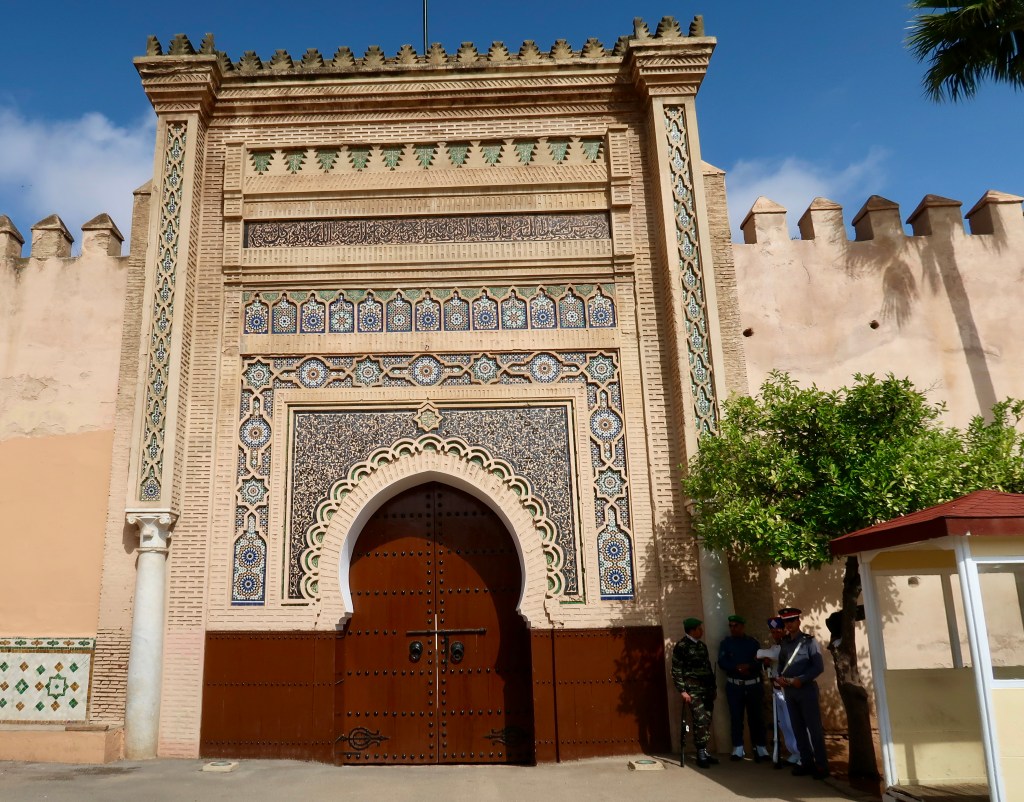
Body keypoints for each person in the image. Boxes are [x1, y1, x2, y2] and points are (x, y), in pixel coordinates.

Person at [775, 607, 830, 780]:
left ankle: (821, 765)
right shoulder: (784, 643)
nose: (789, 624)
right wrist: (780, 679)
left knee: (814, 729)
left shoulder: (808, 642)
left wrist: (802, 679)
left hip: (806, 690)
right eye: (786, 622)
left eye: (792, 621)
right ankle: (806, 762)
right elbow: (781, 666)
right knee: (797, 728)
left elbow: (818, 667)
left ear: (798, 621)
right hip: (790, 691)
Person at [717, 614, 769, 762]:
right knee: (736, 717)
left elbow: (760, 662)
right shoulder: (726, 644)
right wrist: (736, 667)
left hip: (753, 685)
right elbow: (722, 662)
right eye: (731, 626)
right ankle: (738, 748)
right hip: (735, 686)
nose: (733, 628)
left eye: (736, 626)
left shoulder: (752, 643)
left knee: (757, 718)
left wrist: (749, 666)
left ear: (742, 627)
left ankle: (760, 748)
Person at [671, 617, 719, 768]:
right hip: (693, 691)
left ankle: (704, 749)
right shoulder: (682, 646)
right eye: (699, 628)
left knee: (707, 719)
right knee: (700, 720)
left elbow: (708, 667)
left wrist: (713, 687)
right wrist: (682, 691)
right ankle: (700, 753)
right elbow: (676, 669)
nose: (702, 631)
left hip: (706, 689)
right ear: (692, 630)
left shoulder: (702, 646)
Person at [757, 617, 800, 767]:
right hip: (777, 691)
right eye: (773, 632)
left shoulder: (787, 645)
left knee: (793, 723)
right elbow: (764, 659)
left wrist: (765, 655)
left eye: (778, 631)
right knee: (784, 724)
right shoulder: (775, 647)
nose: (775, 634)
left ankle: (803, 753)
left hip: (788, 690)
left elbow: (767, 654)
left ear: (784, 630)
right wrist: (766, 661)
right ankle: (794, 752)